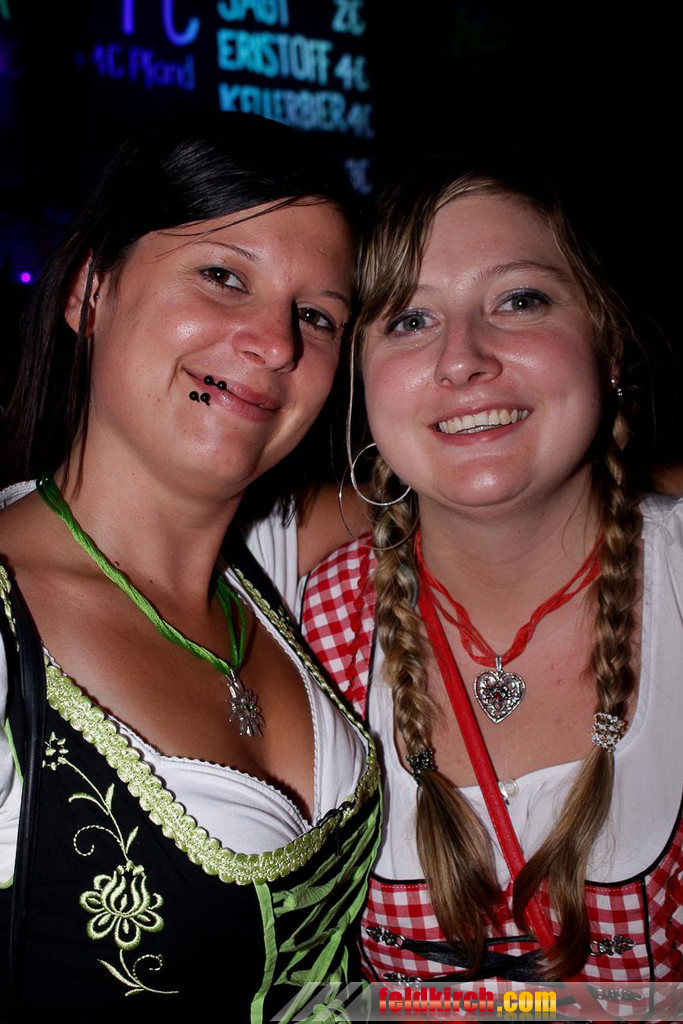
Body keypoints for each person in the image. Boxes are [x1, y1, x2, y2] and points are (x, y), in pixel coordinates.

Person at [0, 115, 380, 1020]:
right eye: (223, 276)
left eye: (316, 316)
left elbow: (482, 488)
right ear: (89, 289)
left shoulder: (271, 562)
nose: (276, 343)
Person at [301, 160, 682, 986]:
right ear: (360, 380)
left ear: (607, 345)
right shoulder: (309, 622)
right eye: (410, 319)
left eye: (519, 300)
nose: (462, 358)